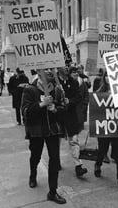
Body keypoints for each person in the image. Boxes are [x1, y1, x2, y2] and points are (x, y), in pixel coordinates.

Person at [21, 69, 66, 204]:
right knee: (36, 155)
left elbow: (64, 108)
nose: (49, 72)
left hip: (52, 130)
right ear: (39, 72)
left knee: (55, 159)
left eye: (50, 69)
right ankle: (33, 174)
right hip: (37, 130)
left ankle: (52, 191)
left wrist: (56, 109)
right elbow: (25, 111)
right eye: (46, 69)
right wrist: (41, 105)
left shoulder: (57, 89)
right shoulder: (30, 89)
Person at [94, 71, 118, 191]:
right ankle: (98, 164)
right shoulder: (99, 93)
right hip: (104, 128)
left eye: (111, 76)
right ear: (104, 78)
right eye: (107, 76)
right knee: (102, 150)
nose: (108, 78)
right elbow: (95, 111)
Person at [57, 66, 88, 177]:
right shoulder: (54, 81)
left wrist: (70, 101)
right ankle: (56, 161)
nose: (66, 68)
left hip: (70, 115)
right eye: (64, 66)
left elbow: (78, 97)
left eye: (67, 65)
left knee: (74, 140)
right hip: (57, 116)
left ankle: (78, 166)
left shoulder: (73, 82)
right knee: (56, 141)